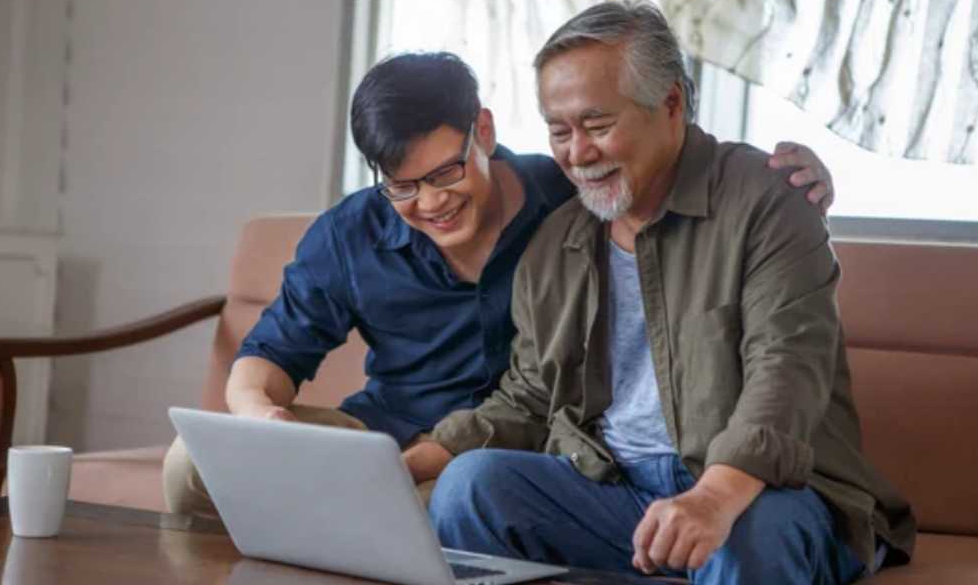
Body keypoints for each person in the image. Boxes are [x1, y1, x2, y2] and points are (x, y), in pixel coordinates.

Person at [162, 50, 836, 517]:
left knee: (461, 498)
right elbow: (263, 363)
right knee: (190, 465)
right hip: (383, 443)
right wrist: (264, 421)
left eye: (446, 173)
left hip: (519, 452)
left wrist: (792, 180)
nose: (430, 203)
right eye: (402, 186)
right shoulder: (350, 235)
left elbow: (665, 168)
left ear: (483, 129)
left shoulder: (567, 196)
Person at [420, 1, 916, 585]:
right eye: (560, 131)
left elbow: (785, 370)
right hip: (613, 492)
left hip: (763, 492)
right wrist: (405, 467)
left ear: (672, 103)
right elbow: (531, 396)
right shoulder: (556, 244)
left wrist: (713, 498)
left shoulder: (768, 201)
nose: (577, 153)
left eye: (598, 126)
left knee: (741, 537)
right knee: (469, 489)